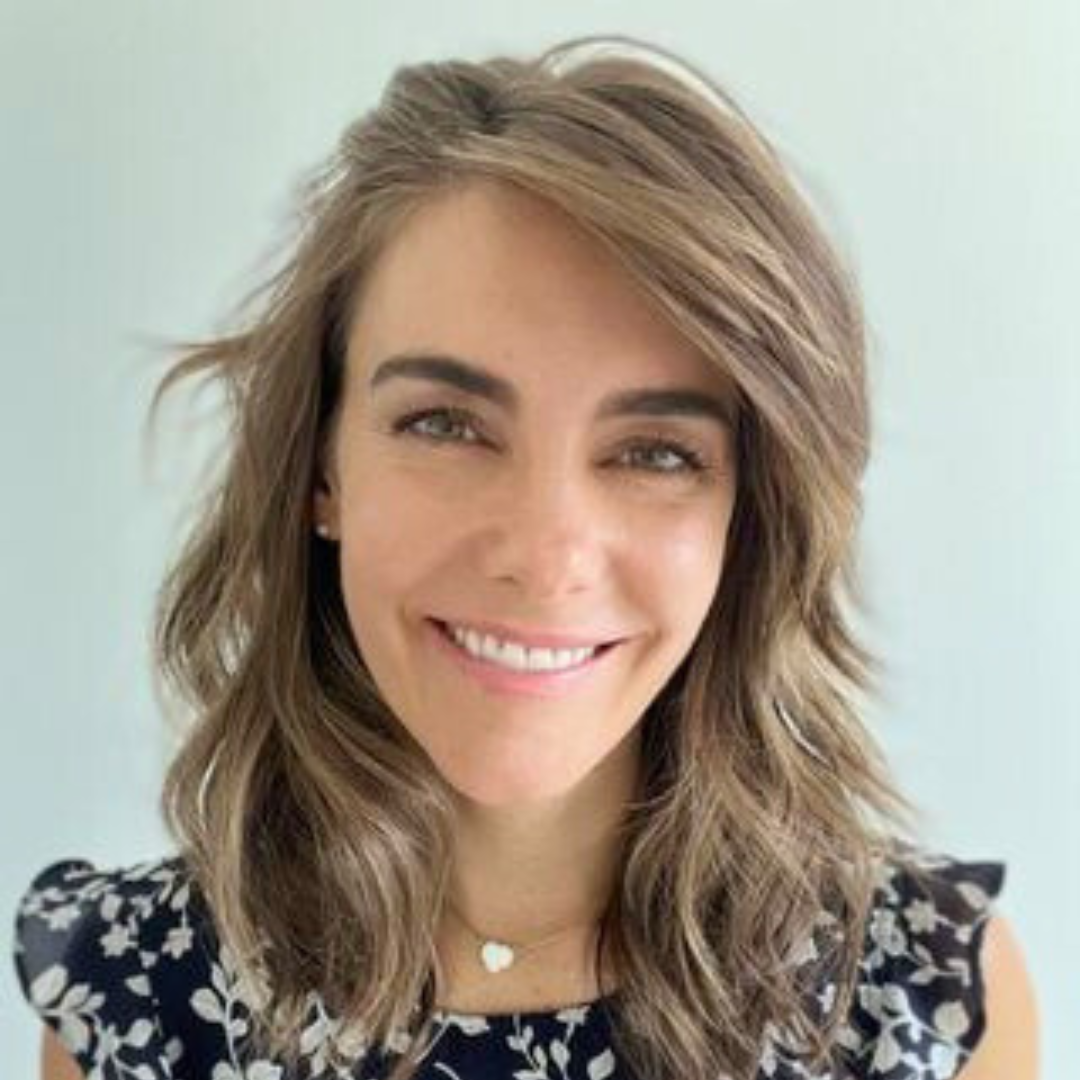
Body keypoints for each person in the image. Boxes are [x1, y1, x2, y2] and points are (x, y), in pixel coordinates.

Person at [11, 33, 1039, 1080]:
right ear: (322, 466)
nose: (546, 559)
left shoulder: (926, 1003)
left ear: (748, 515)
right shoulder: (132, 998)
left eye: (655, 452)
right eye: (446, 424)